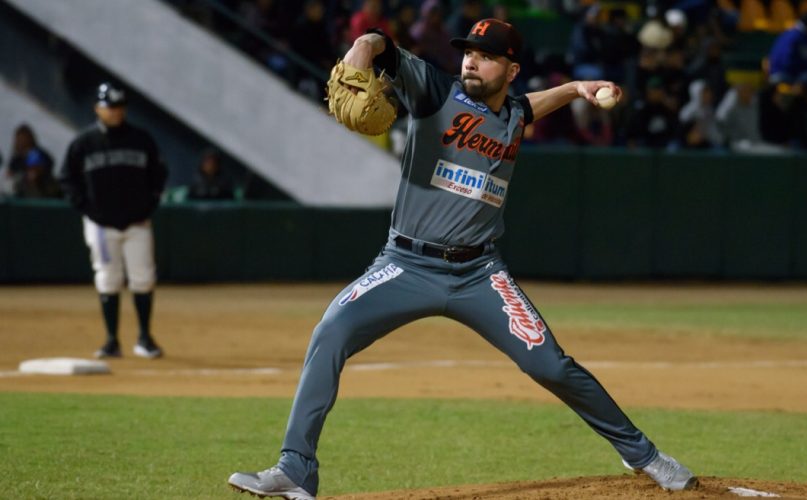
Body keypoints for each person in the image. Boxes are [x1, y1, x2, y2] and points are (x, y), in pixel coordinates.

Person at [228, 19, 698, 499]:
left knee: (552, 367)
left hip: (480, 274)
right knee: (330, 333)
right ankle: (296, 468)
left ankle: (643, 455)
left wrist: (576, 88)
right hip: (406, 265)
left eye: (487, 55)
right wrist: (364, 44)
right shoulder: (435, 91)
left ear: (511, 70)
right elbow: (385, 50)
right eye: (469, 52)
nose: (472, 61)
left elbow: (527, 107)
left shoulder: (512, 114)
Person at [58, 83, 168, 359]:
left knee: (143, 278)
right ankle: (111, 340)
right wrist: (87, 208)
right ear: (97, 108)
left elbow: (158, 175)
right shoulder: (84, 143)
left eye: (119, 107)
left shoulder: (141, 139)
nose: (115, 112)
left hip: (138, 223)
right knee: (107, 278)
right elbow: (67, 179)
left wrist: (149, 205)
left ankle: (144, 338)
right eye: (110, 107)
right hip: (100, 224)